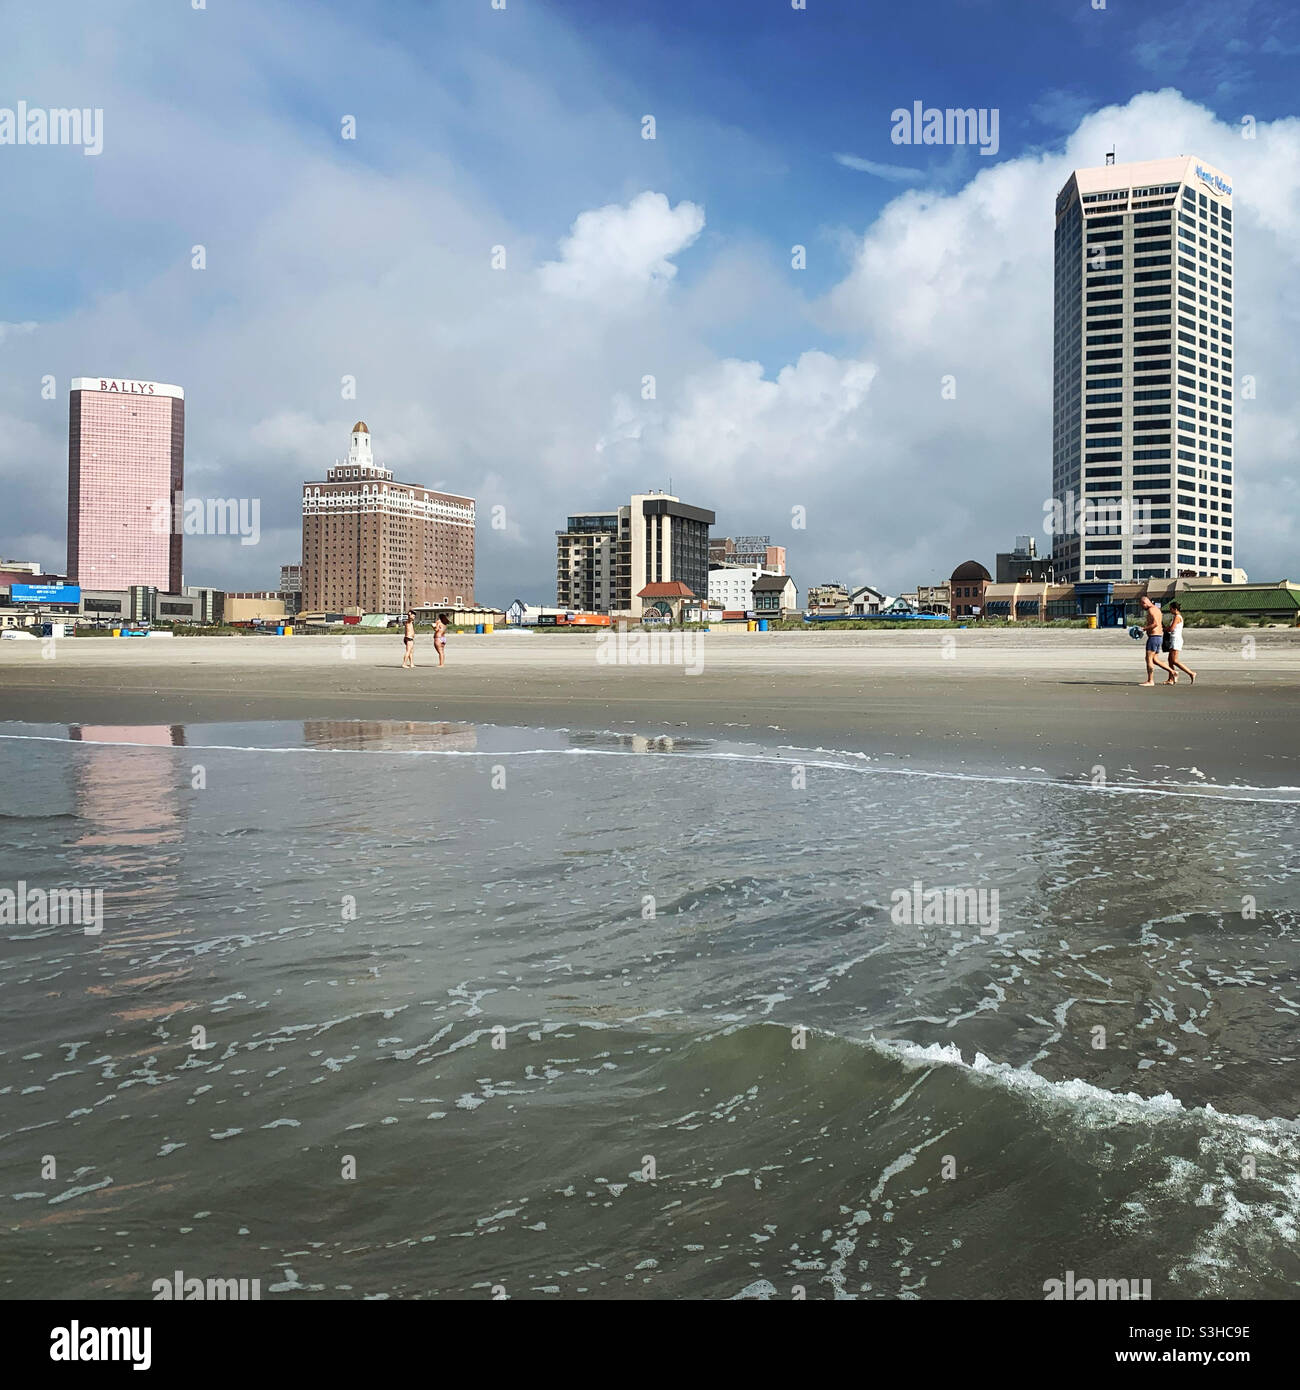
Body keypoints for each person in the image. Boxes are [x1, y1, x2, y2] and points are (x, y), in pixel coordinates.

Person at [1137, 595, 1173, 687]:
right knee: (1155, 659)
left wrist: (1144, 628)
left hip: (1154, 637)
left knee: (1148, 659)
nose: (1142, 608)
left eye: (1142, 605)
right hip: (1158, 636)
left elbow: (1155, 623)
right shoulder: (1157, 609)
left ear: (1144, 602)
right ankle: (1172, 671)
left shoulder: (1151, 610)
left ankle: (1150, 680)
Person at [1164, 601, 1196, 685]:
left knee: (1174, 660)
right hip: (1173, 639)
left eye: (1171, 609)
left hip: (1176, 639)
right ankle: (1171, 678)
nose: (1170, 610)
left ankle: (1191, 673)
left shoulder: (1177, 617)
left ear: (1175, 609)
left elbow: (1171, 629)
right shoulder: (1176, 616)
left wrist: (1164, 629)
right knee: (1170, 660)